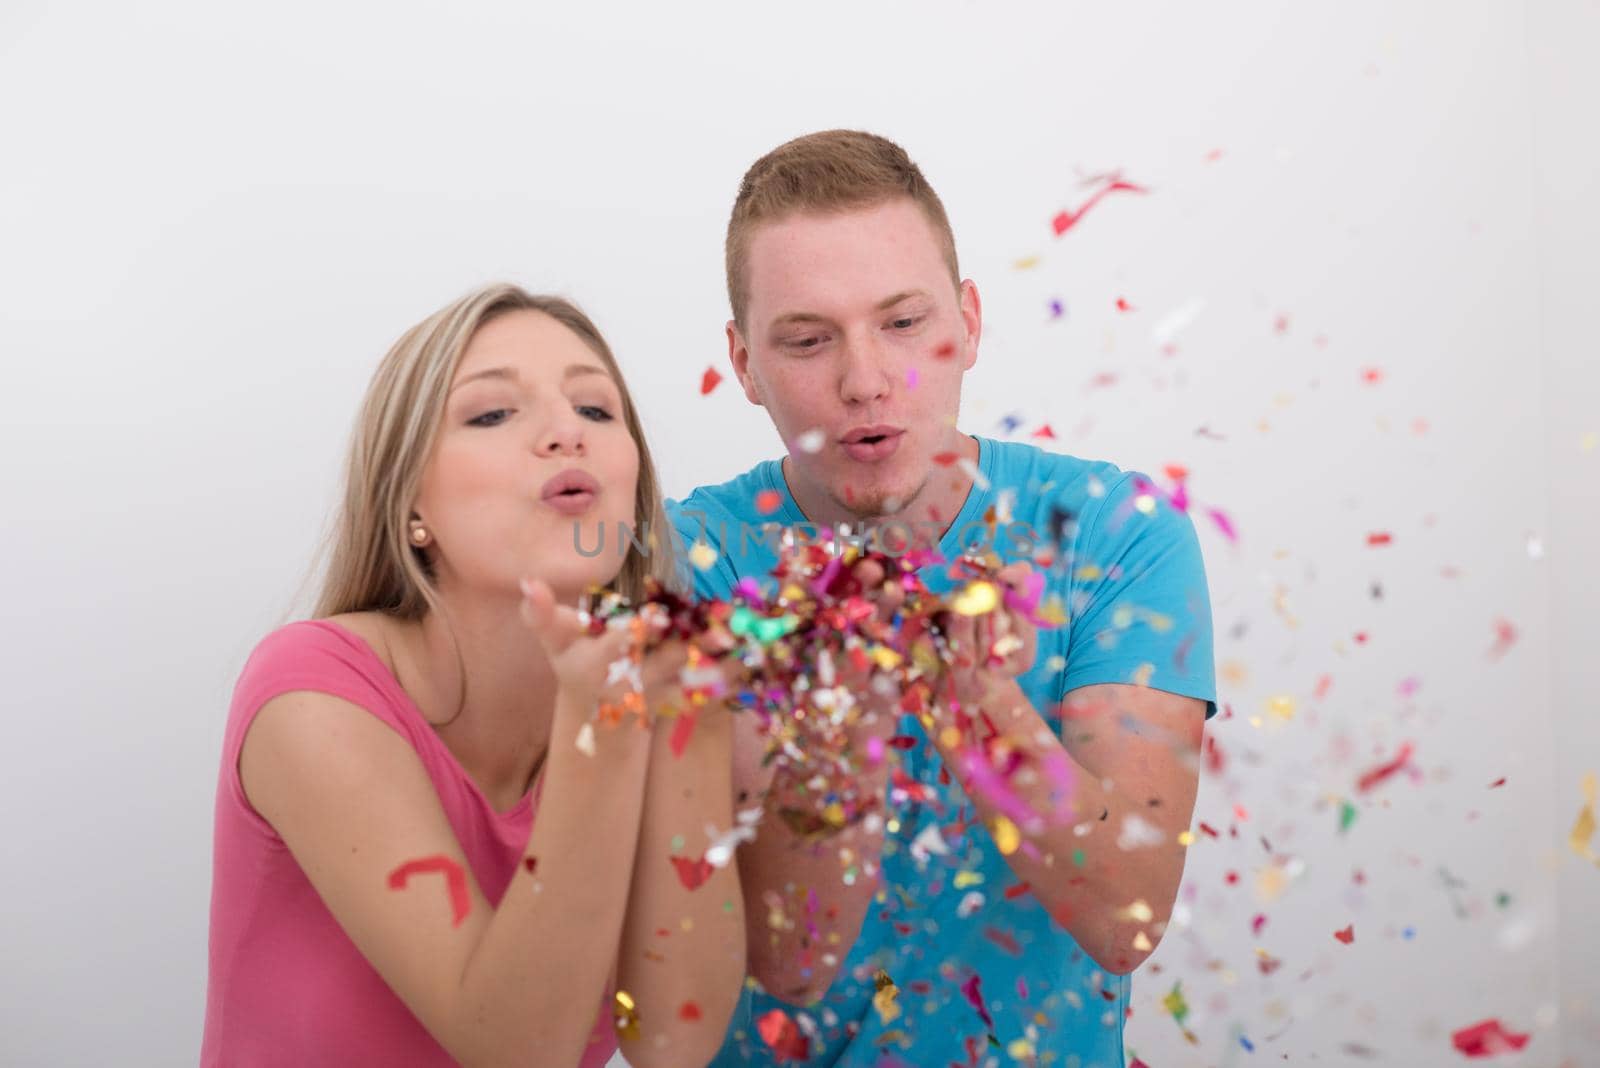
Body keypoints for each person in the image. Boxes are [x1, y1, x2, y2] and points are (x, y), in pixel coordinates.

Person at [667, 131, 1217, 1067]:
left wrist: (977, 701)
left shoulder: (1115, 533)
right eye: (807, 340)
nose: (864, 380)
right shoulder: (684, 568)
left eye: (904, 323)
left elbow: (1125, 918)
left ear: (966, 323)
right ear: (745, 362)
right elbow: (723, 948)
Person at [202, 283, 745, 1067]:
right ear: (410, 503)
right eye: (492, 414)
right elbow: (515, 1049)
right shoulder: (312, 691)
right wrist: (601, 734)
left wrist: (701, 729)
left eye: (596, 410)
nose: (567, 433)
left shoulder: (648, 695)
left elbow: (674, 1041)